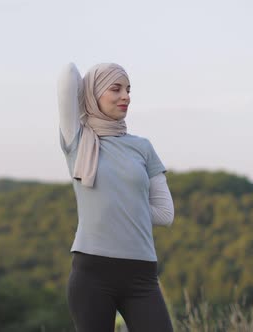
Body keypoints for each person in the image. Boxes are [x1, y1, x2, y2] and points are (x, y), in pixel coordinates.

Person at [57, 62, 175, 332]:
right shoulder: (77, 139)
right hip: (92, 274)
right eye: (116, 88)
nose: (126, 96)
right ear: (93, 93)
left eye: (129, 90)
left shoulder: (143, 147)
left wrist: (124, 207)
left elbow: (166, 214)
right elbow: (67, 75)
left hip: (141, 274)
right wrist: (86, 86)